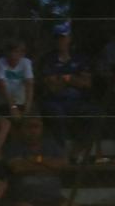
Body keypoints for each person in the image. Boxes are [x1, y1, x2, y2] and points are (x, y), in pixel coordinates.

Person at [4, 115, 78, 206]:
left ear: (41, 128)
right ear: (22, 129)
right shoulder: (14, 146)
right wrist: (49, 166)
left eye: (36, 127)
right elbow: (17, 167)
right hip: (25, 198)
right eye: (29, 127)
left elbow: (63, 164)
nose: (32, 131)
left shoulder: (50, 144)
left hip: (53, 197)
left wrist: (37, 160)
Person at [37, 22, 98, 151]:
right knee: (55, 114)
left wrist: (66, 78)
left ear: (69, 38)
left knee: (94, 113)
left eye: (63, 37)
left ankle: (79, 151)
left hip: (77, 101)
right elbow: (51, 87)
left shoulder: (80, 58)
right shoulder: (47, 59)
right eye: (57, 37)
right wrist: (73, 79)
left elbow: (87, 83)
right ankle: (60, 151)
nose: (60, 41)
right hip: (55, 101)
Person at [0, 39, 34, 152]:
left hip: (21, 102)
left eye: (16, 52)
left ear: (22, 54)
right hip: (5, 102)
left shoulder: (26, 63)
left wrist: (28, 106)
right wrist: (13, 107)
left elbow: (29, 84)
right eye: (11, 52)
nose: (13, 55)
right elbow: (2, 87)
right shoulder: (0, 63)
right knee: (12, 121)